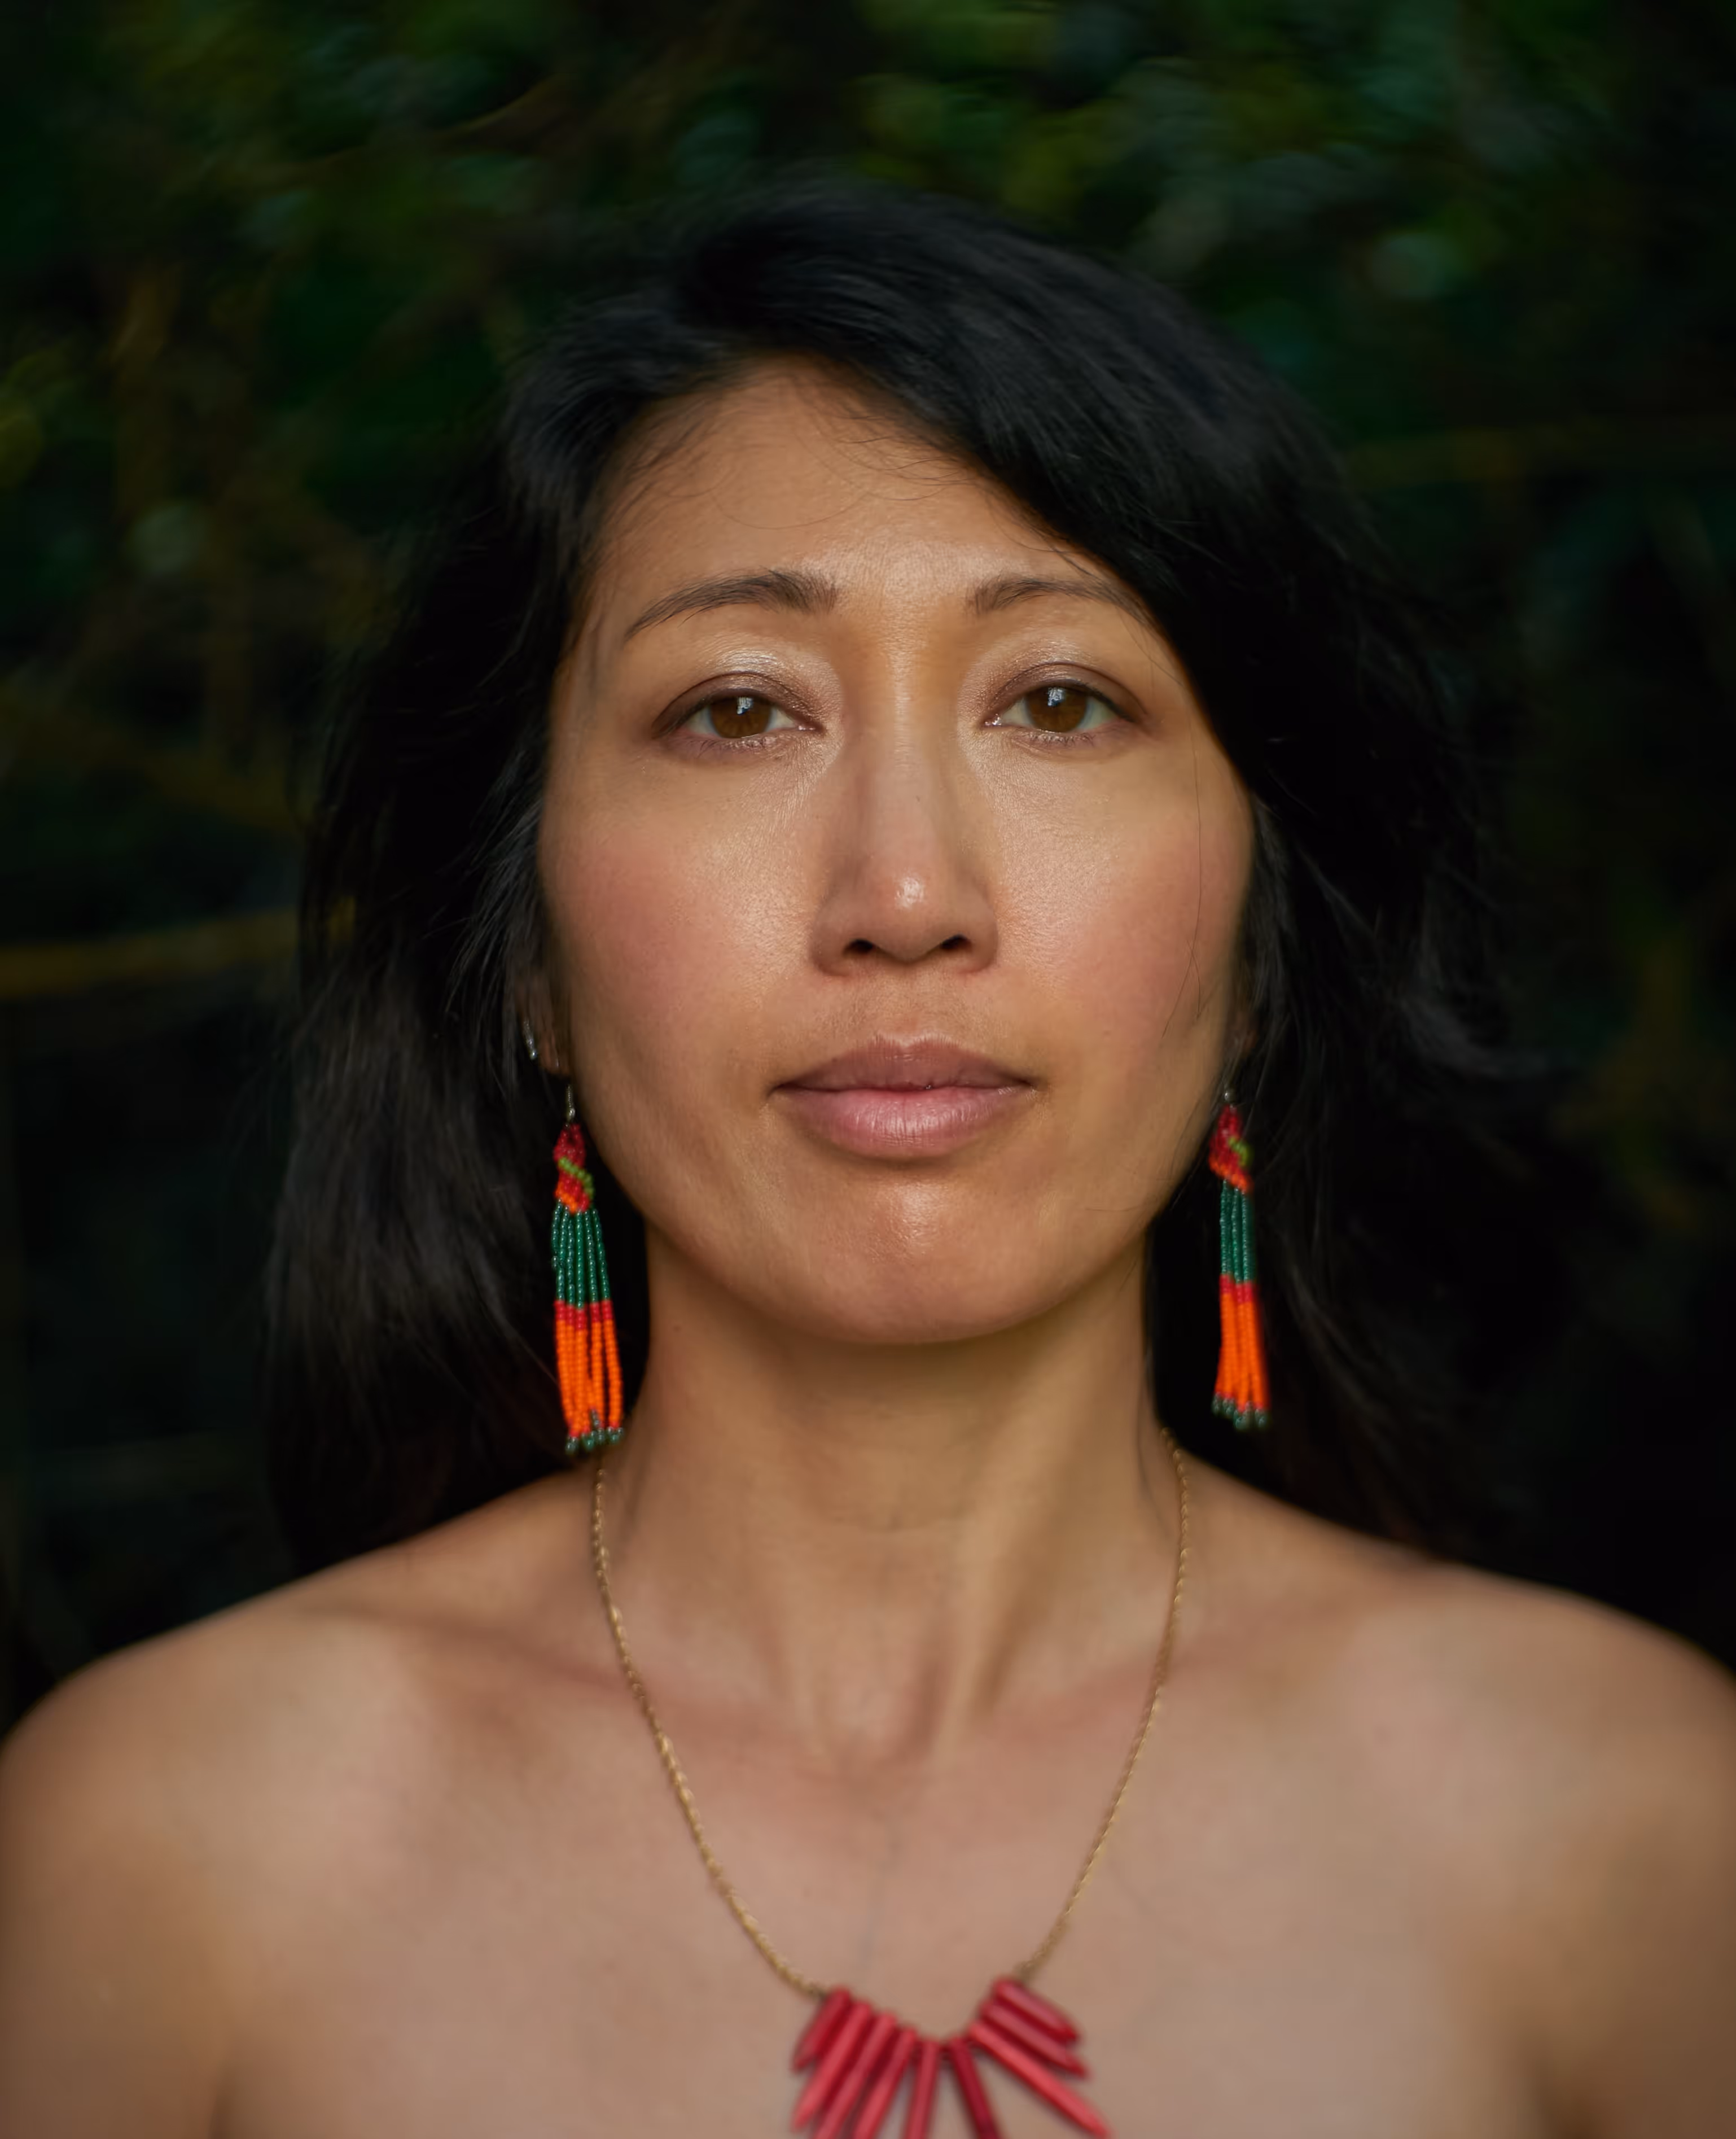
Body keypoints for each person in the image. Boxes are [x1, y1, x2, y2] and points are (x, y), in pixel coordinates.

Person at [1, 184, 1731, 2139]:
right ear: (529, 960)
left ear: (1259, 952)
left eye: (1058, 702)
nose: (904, 893)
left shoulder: (1629, 1831)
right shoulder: (161, 1850)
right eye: (737, 711)